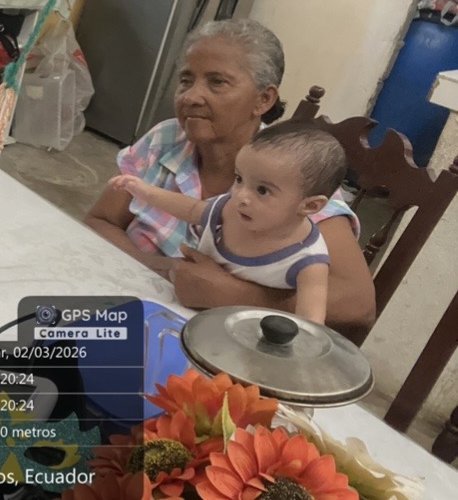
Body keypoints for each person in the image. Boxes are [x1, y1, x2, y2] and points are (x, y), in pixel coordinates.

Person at [85, 19, 376, 333]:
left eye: (217, 82)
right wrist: (158, 268)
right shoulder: (164, 140)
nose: (191, 97)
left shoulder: (297, 181)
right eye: (186, 80)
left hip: (219, 339)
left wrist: (235, 295)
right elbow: (100, 220)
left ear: (263, 100)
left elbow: (358, 304)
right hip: (129, 302)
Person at [109, 122, 349, 324]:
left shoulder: (309, 261)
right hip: (184, 309)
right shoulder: (229, 210)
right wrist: (147, 192)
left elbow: (310, 325)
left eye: (262, 190)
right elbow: (191, 209)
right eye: (239, 179)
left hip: (243, 334)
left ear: (310, 206)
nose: (241, 196)